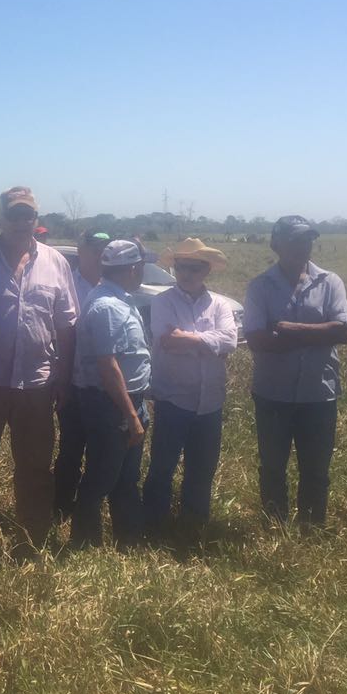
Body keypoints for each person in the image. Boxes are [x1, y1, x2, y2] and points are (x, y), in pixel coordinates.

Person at [0, 186, 77, 556]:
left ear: (36, 220)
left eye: (29, 215)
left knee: (36, 469)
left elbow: (66, 326)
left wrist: (64, 378)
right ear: (0, 219)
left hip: (37, 384)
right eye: (15, 214)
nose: (22, 222)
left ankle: (31, 543)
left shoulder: (56, 263)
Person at [243, 216, 347, 527]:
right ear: (275, 244)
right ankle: (274, 526)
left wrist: (287, 328)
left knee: (316, 468)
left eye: (307, 239)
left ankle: (312, 528)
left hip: (319, 393)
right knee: (273, 465)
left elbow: (344, 332)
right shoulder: (260, 286)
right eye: (294, 240)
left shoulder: (330, 281)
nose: (302, 246)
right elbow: (258, 340)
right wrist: (321, 333)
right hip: (272, 393)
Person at [142, 238, 239, 536]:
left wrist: (191, 339)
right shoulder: (161, 302)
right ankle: (153, 525)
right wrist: (211, 342)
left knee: (202, 469)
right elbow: (168, 341)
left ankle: (194, 526)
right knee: (162, 466)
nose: (187, 273)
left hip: (210, 401)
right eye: (182, 267)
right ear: (175, 268)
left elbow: (231, 342)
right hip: (173, 398)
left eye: (195, 267)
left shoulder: (221, 304)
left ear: (206, 270)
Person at [70, 240, 153, 549]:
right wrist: (131, 415)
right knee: (102, 477)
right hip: (113, 406)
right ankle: (85, 544)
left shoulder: (119, 299)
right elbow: (108, 365)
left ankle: (128, 540)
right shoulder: (107, 306)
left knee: (125, 477)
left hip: (127, 402)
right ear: (133, 269)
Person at [52, 230, 111, 522]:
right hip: (73, 380)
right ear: (81, 249)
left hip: (103, 384)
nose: (100, 254)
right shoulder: (66, 285)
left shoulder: (112, 286)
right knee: (71, 447)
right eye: (94, 248)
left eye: (105, 248)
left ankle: (91, 509)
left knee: (101, 449)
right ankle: (61, 506)